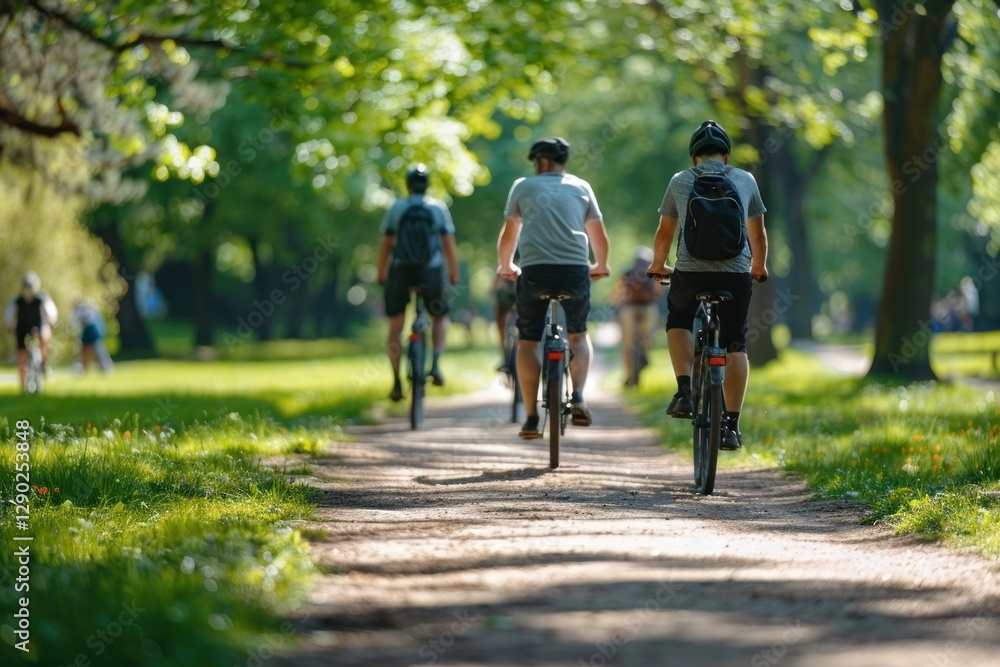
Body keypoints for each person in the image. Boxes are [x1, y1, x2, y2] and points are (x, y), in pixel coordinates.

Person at [649, 120, 768, 450]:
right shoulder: (745, 179)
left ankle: (685, 391)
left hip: (690, 271)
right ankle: (731, 425)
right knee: (736, 343)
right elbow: (757, 233)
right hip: (735, 273)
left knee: (679, 319)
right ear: (726, 157)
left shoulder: (680, 180)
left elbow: (665, 232)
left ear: (693, 158)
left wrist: (658, 265)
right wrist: (758, 267)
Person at [497, 137, 611, 439]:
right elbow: (598, 235)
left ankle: (532, 417)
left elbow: (510, 232)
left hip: (534, 272)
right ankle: (580, 398)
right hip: (575, 270)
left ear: (537, 162)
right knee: (578, 333)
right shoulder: (581, 186)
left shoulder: (523, 186)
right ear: (564, 162)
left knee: (528, 341)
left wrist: (506, 265)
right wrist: (601, 264)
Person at [377, 163, 460, 402]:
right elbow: (448, 243)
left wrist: (381, 271)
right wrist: (453, 272)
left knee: (395, 326)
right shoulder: (438, 207)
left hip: (400, 271)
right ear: (427, 184)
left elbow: (386, 243)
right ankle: (435, 364)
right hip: (430, 271)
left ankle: (395, 382)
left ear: (408, 184)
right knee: (440, 315)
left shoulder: (396, 207)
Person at [611, 246, 662, 386]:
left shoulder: (627, 272)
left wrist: (615, 302)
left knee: (627, 344)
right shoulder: (653, 273)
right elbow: (659, 290)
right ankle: (645, 350)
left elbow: (617, 292)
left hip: (629, 308)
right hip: (648, 308)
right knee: (648, 336)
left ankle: (629, 376)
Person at [4, 271, 58, 392]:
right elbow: (9, 315)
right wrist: (8, 325)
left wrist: (51, 321)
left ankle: (43, 363)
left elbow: (51, 312)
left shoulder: (41, 297)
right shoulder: (17, 300)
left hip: (38, 328)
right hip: (22, 329)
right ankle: (22, 387)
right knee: (22, 356)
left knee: (45, 336)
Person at [72, 298, 114, 373]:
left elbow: (75, 323)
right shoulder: (90, 309)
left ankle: (105, 367)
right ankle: (85, 369)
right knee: (91, 350)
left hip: (91, 330)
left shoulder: (79, 311)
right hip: (91, 330)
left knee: (98, 350)